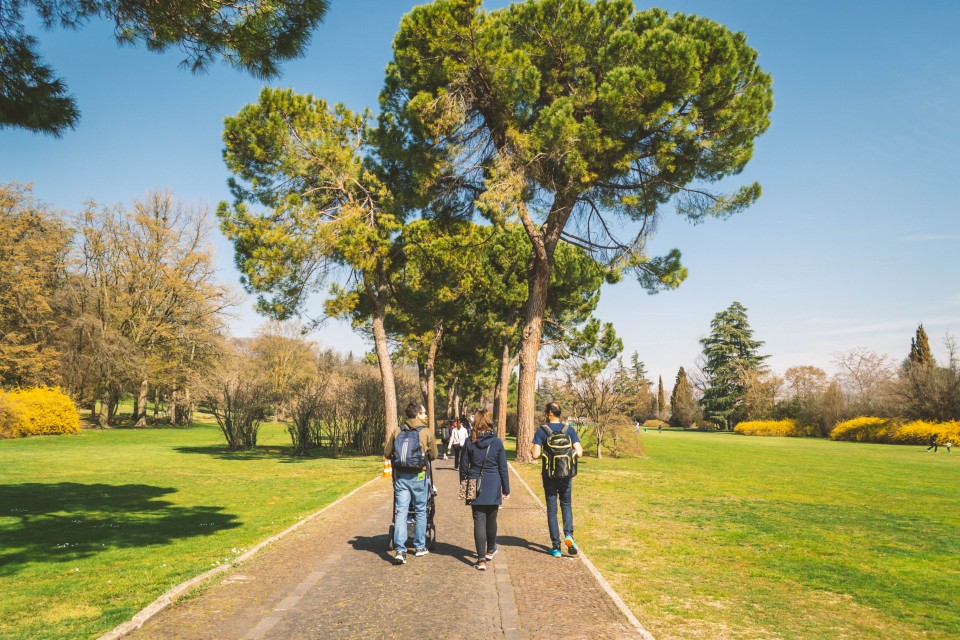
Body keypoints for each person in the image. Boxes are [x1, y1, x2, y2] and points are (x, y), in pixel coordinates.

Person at [384, 402, 437, 565]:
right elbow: (434, 455)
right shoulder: (426, 432)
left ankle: (400, 550)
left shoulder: (397, 431)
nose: (425, 415)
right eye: (423, 413)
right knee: (421, 510)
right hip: (419, 476)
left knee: (401, 511)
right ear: (417, 414)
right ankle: (420, 546)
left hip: (401, 477)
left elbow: (387, 453)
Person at [531, 401, 583, 558]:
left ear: (550, 413)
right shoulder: (569, 430)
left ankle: (556, 547)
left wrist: (533, 448)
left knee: (552, 510)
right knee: (566, 504)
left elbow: (535, 455)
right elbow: (579, 452)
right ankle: (569, 535)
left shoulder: (542, 431)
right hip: (566, 475)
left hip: (549, 476)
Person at [460, 408, 509, 571]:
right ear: (489, 423)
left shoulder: (470, 441)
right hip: (493, 483)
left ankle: (481, 560)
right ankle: (490, 550)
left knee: (478, 521)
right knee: (492, 519)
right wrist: (506, 488)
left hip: (474, 483)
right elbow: (503, 467)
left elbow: (463, 466)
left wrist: (465, 485)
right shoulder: (496, 442)